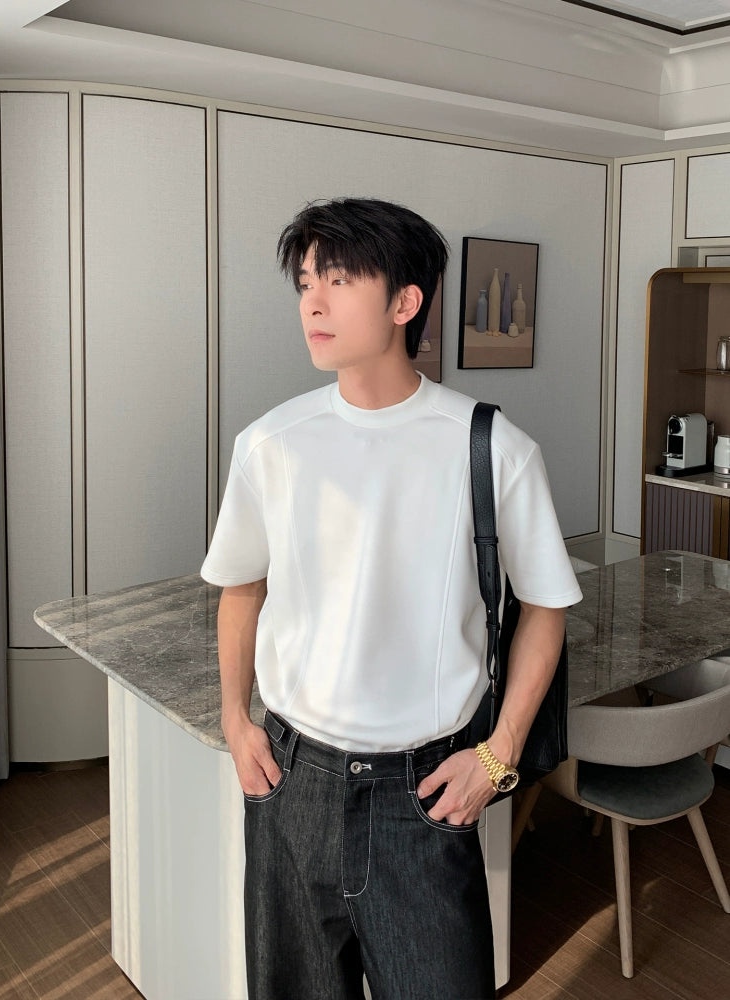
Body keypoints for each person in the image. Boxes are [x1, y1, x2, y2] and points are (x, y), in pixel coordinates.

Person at [201, 197, 582, 1000]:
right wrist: (235, 719)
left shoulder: (494, 448)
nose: (313, 302)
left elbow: (546, 608)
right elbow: (242, 587)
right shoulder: (270, 444)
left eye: (338, 280)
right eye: (306, 281)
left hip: (425, 795)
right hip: (292, 783)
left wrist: (500, 754)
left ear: (405, 302)